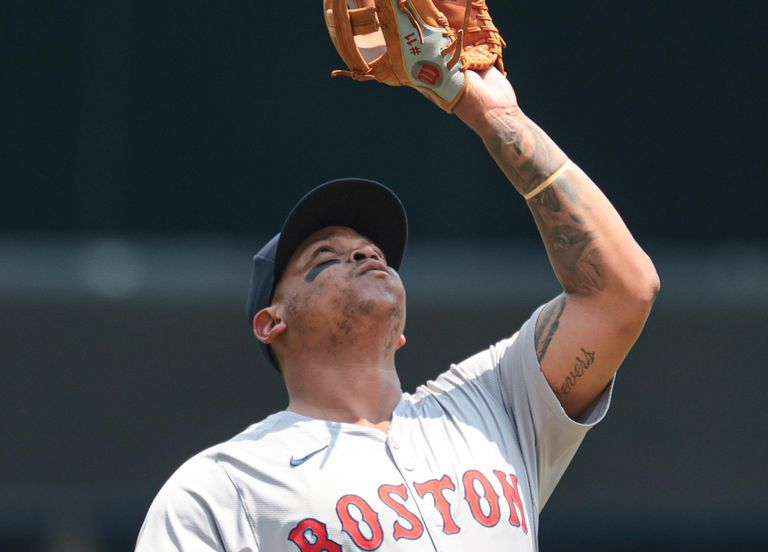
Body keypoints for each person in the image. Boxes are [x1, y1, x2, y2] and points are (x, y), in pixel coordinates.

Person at [135, 66, 659, 550]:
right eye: (326, 255)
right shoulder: (224, 485)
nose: (363, 252)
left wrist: (498, 119)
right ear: (272, 322)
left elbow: (621, 291)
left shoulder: (493, 402)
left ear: (399, 332)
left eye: (373, 251)